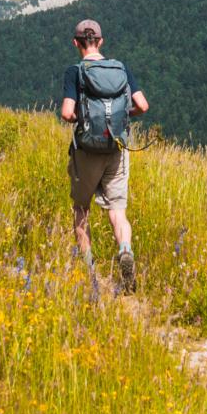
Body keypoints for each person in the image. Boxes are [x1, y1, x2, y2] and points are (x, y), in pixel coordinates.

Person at [57, 17, 149, 293]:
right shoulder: (121, 69)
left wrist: (82, 119)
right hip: (117, 149)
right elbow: (142, 105)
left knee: (81, 209)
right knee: (117, 211)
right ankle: (124, 249)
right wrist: (122, 117)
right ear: (101, 41)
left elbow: (66, 112)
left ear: (76, 43)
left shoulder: (75, 72)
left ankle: (89, 272)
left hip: (86, 151)